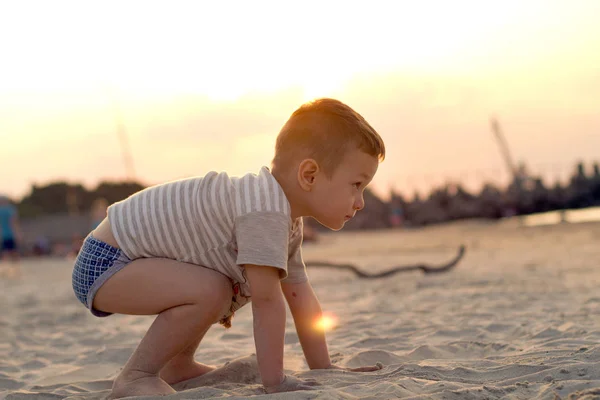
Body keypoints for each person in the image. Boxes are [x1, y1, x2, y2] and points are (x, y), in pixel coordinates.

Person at [71, 98, 386, 398]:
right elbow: (267, 300)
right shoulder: (263, 210)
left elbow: (300, 296)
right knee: (213, 290)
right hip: (108, 262)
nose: (360, 202)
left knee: (217, 286)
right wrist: (274, 382)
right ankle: (137, 376)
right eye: (356, 185)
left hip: (127, 259)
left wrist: (325, 370)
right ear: (309, 175)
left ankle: (178, 366)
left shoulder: (283, 217)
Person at [0, 195, 21, 268]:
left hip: (3, 235)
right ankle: (16, 268)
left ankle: (4, 269)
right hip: (11, 234)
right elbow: (13, 223)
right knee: (14, 251)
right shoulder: (10, 210)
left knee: (4, 252)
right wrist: (18, 234)